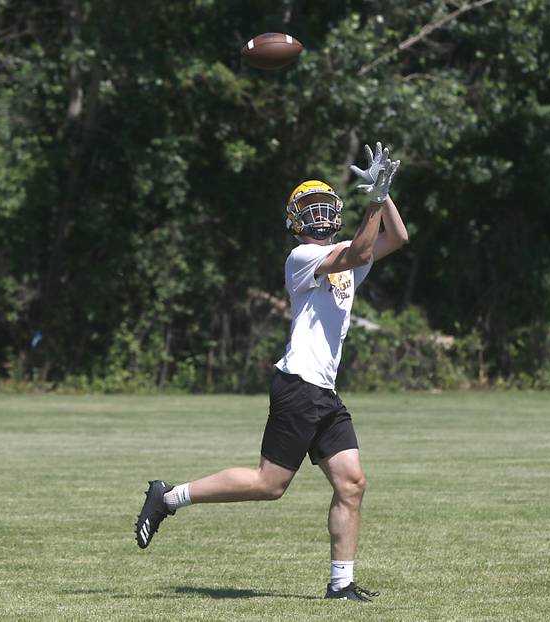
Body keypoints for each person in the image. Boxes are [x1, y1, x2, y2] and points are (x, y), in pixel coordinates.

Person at [135, 141, 408, 602]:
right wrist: (376, 197)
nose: (319, 216)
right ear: (295, 222)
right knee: (269, 485)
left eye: (325, 207)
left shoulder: (346, 253)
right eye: (310, 209)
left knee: (352, 482)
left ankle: (340, 585)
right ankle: (168, 496)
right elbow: (362, 251)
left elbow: (396, 240)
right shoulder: (302, 258)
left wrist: (385, 192)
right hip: (299, 385)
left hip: (324, 391)